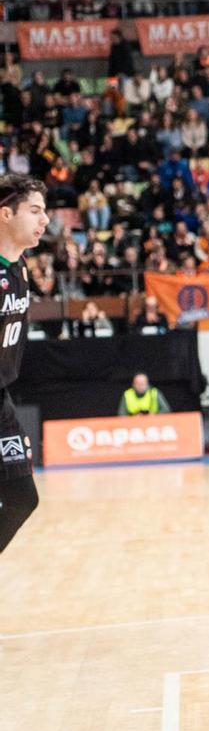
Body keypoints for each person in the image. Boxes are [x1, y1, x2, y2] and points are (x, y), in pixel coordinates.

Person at [0, 174, 47, 553]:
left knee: (22, 496)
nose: (44, 219)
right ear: (5, 214)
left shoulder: (21, 268)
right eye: (34, 210)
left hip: (1, 399)